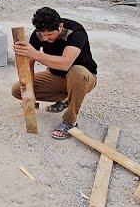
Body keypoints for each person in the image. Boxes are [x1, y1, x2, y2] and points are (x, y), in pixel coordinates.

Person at [11, 7, 97, 139]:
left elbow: (65, 64)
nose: (45, 39)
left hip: (84, 78)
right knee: (18, 90)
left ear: (60, 26)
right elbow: (29, 63)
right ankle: (64, 98)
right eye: (42, 34)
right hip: (58, 77)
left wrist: (36, 54)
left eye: (50, 34)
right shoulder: (39, 34)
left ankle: (70, 121)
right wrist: (30, 93)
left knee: (76, 71)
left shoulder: (75, 32)